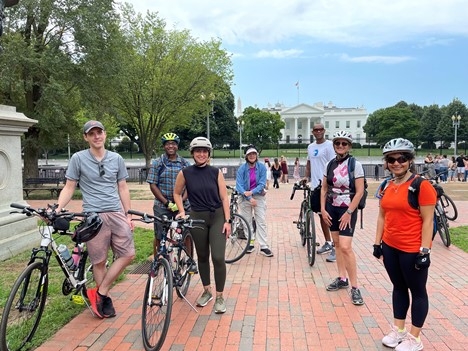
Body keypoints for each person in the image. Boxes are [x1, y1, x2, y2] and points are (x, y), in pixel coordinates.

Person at [56, 120, 135, 318]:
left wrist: (129, 213)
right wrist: (59, 207)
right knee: (99, 261)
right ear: (86, 137)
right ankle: (103, 302)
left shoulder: (116, 158)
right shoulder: (78, 158)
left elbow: (123, 187)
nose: (96, 136)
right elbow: (70, 186)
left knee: (128, 254)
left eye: (99, 132)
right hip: (93, 216)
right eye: (92, 134)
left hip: (116, 212)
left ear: (105, 135)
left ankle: (101, 292)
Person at [374, 138, 436, 350]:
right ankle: (399, 330)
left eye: (402, 158)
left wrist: (425, 250)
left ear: (410, 160)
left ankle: (415, 338)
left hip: (412, 248)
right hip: (391, 246)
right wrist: (377, 243)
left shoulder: (421, 185)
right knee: (398, 288)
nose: (396, 162)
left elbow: (428, 220)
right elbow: (382, 215)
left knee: (418, 291)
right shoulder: (387, 185)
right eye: (391, 159)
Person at [173, 137, 231, 314]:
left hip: (217, 216)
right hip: (197, 216)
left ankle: (220, 296)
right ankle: (207, 291)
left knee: (218, 257)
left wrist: (228, 221)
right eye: (198, 151)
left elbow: (224, 197)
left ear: (209, 154)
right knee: (203, 256)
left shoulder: (215, 172)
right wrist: (182, 211)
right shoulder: (185, 173)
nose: (201, 154)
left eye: (204, 151)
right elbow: (176, 193)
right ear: (192, 153)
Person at [320, 131, 365, 305]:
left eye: (344, 144)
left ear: (349, 146)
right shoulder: (329, 164)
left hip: (348, 207)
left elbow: (359, 191)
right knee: (337, 244)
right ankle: (341, 278)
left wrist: (349, 212)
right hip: (332, 207)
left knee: (346, 247)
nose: (340, 146)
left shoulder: (355, 164)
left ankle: (355, 287)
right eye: (337, 143)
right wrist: (323, 210)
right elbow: (324, 188)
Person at [146, 133, 190, 257]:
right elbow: (153, 184)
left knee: (187, 233)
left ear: (177, 146)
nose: (171, 146)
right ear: (164, 146)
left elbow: (190, 186)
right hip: (162, 204)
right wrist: (167, 203)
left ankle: (188, 259)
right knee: (159, 235)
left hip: (182, 204)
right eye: (168, 144)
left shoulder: (185, 164)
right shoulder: (158, 163)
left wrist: (180, 202)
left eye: (173, 143)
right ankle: (158, 260)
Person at [303, 123, 336, 262]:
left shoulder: (329, 146)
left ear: (324, 131)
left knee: (331, 216)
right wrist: (306, 176)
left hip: (328, 186)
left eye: (320, 129)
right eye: (315, 130)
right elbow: (309, 163)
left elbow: (334, 164)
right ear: (312, 132)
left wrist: (330, 182)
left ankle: (336, 246)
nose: (318, 132)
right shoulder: (311, 147)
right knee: (321, 215)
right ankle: (328, 242)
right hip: (315, 186)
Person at [236, 145, 273, 257]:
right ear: (246, 156)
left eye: (254, 154)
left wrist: (252, 193)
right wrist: (249, 197)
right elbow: (239, 185)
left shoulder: (261, 167)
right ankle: (250, 242)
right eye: (249, 154)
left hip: (258, 195)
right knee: (246, 220)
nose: (252, 156)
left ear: (257, 155)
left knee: (260, 220)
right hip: (245, 196)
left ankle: (263, 245)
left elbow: (262, 183)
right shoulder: (241, 169)